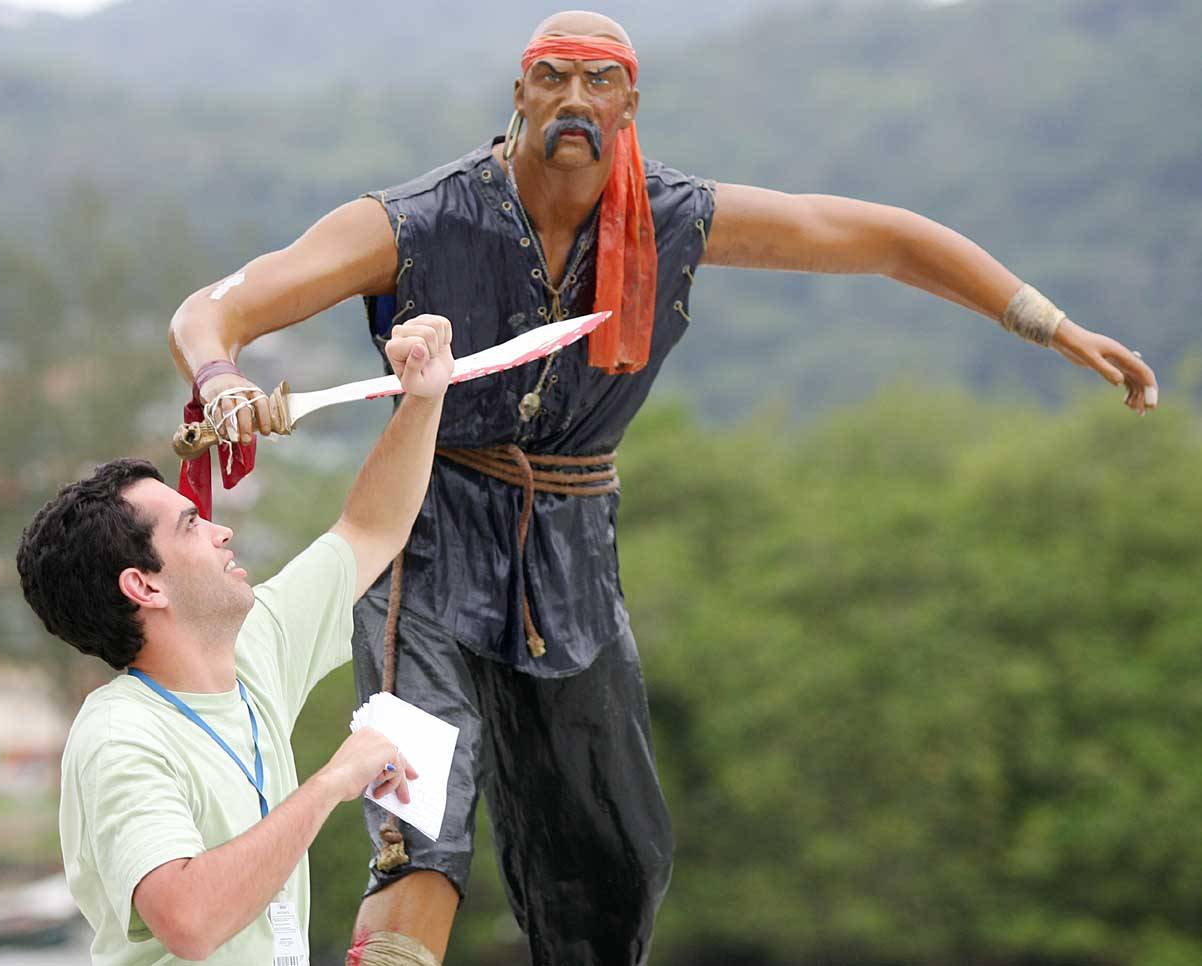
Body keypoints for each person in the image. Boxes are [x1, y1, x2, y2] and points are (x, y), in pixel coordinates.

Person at [166, 10, 1161, 965]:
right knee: (419, 816)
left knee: (615, 862)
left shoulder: (673, 218)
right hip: (423, 543)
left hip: (572, 559)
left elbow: (882, 239)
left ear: (628, 106)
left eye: (599, 81)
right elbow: (216, 309)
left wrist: (1048, 324)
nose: (574, 98)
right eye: (553, 76)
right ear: (519, 91)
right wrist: (221, 378)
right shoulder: (416, 221)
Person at [17, 316, 454, 964]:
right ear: (144, 586)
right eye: (191, 525)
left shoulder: (253, 647)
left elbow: (370, 527)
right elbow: (187, 921)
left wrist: (422, 398)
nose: (221, 531)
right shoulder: (119, 735)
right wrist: (332, 781)